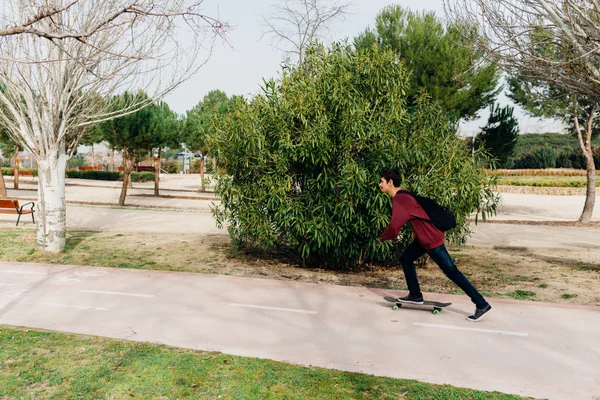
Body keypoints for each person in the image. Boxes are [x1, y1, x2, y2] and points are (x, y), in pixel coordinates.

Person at [378, 168, 492, 322]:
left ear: (390, 182)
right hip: (424, 238)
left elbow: (394, 225)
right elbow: (418, 215)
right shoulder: (404, 194)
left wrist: (382, 238)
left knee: (452, 272)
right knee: (406, 258)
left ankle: (481, 303)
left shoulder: (400, 199)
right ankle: (415, 295)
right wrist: (417, 231)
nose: (380, 184)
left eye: (382, 181)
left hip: (431, 240)